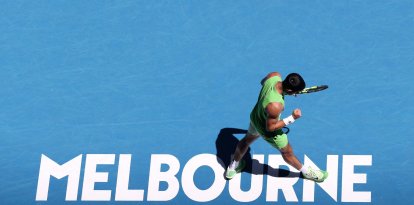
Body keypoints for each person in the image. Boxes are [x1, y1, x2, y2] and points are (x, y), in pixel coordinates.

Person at [225, 72, 328, 182]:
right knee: (287, 153)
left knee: (246, 141)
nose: (296, 94)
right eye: (295, 92)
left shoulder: (274, 76)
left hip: (256, 117)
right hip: (268, 130)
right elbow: (270, 127)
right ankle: (307, 173)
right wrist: (292, 118)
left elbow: (262, 82)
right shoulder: (275, 105)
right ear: (289, 90)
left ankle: (232, 167)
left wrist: (284, 92)